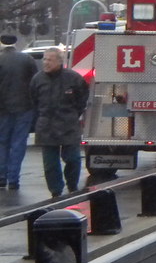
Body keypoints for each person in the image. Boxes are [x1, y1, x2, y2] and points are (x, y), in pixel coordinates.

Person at [30, 47, 89, 198]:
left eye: (49, 59)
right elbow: (33, 101)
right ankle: (56, 191)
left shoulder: (73, 78)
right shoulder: (38, 79)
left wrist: (73, 114)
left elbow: (82, 99)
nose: (46, 62)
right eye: (44, 59)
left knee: (73, 159)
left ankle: (72, 185)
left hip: (68, 125)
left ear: (59, 61)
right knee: (50, 164)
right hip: (46, 127)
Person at [0, 34, 38, 190]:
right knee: (18, 143)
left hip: (2, 109)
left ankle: (2, 176)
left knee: (2, 142)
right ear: (15, 43)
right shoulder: (27, 60)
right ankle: (14, 178)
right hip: (24, 108)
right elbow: (35, 82)